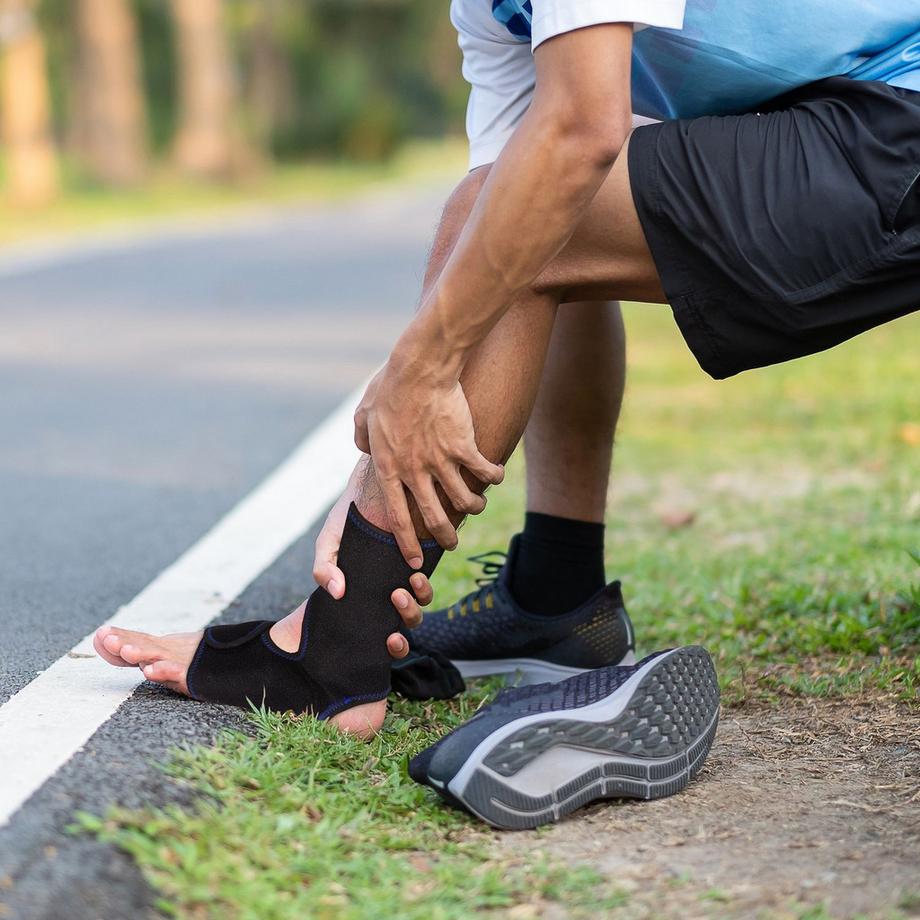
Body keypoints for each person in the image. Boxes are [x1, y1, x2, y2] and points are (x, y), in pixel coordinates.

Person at [96, 1, 919, 826]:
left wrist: (414, 381)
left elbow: (576, 141)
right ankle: (555, 599)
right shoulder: (492, 11)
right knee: (519, 221)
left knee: (535, 213)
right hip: (852, 117)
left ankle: (333, 652)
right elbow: (503, 208)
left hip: (895, 116)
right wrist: (374, 469)